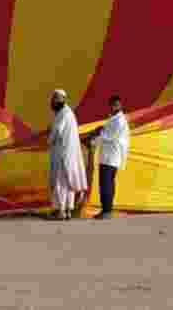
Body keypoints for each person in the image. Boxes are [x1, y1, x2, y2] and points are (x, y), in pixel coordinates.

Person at [86, 95, 130, 220]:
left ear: (120, 105)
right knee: (106, 183)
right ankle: (106, 210)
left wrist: (93, 140)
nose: (114, 107)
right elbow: (105, 134)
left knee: (106, 184)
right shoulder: (113, 119)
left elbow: (109, 137)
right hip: (107, 156)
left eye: (116, 104)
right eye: (112, 105)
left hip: (111, 157)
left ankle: (107, 211)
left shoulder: (119, 121)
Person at [47, 89, 88, 220]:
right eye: (53, 98)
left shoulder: (64, 113)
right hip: (68, 154)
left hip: (63, 154)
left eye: (55, 98)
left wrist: (49, 138)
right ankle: (68, 210)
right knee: (67, 183)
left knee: (60, 183)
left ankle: (60, 211)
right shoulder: (66, 113)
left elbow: (58, 130)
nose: (53, 101)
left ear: (62, 99)